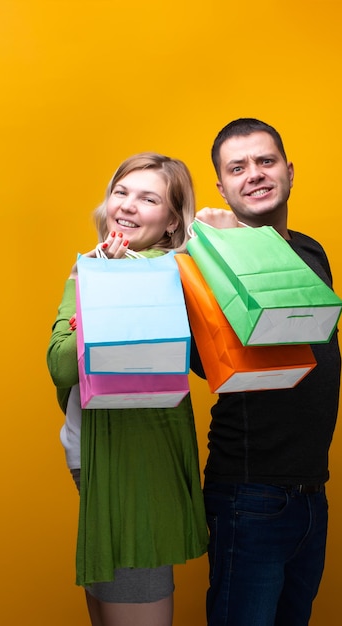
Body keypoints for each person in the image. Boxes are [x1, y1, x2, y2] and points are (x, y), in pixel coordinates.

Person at [47, 153, 209, 626]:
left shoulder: (177, 274)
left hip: (138, 468)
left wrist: (109, 285)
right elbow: (60, 366)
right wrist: (100, 279)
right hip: (92, 463)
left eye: (148, 198)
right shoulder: (90, 265)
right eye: (121, 191)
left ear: (171, 220)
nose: (128, 206)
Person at [192, 118, 342, 626]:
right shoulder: (203, 260)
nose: (254, 174)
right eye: (238, 167)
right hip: (250, 492)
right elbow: (200, 361)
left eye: (265, 161)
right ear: (222, 187)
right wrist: (223, 238)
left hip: (311, 488)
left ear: (289, 171)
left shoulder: (311, 251)